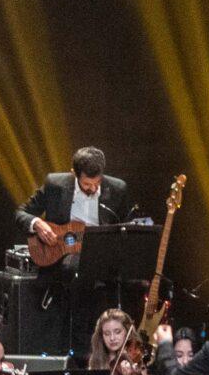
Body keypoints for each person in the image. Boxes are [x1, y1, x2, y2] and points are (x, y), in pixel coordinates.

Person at [17, 145, 132, 351]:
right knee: (75, 268)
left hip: (101, 258)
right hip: (64, 256)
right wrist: (37, 223)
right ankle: (77, 347)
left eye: (97, 183)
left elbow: (126, 227)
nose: (93, 189)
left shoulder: (117, 189)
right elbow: (22, 213)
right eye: (87, 184)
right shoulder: (55, 184)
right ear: (74, 174)